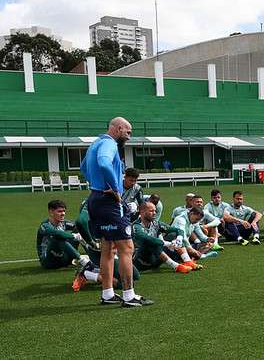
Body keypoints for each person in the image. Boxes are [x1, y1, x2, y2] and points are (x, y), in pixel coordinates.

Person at [80, 117, 152, 307]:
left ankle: (108, 294)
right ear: (118, 129)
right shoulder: (109, 144)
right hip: (109, 202)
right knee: (127, 248)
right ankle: (129, 296)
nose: (129, 136)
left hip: (96, 198)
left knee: (108, 248)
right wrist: (115, 189)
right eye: (128, 132)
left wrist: (97, 185)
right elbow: (104, 163)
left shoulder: (96, 143)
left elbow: (83, 167)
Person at [132, 202, 196, 274]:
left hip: (156, 258)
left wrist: (179, 239)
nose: (154, 213)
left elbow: (178, 230)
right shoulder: (136, 226)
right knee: (151, 242)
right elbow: (145, 238)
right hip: (142, 262)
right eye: (151, 211)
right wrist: (167, 244)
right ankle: (177, 266)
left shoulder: (156, 223)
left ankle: (187, 261)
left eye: (155, 211)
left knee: (174, 236)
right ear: (142, 212)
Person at [37, 200, 89, 270]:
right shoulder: (44, 225)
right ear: (51, 212)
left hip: (64, 258)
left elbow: (78, 226)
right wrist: (75, 236)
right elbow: (57, 233)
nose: (63, 213)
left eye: (64, 211)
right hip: (49, 261)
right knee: (58, 238)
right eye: (59, 211)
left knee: (79, 228)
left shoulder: (63, 223)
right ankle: (84, 262)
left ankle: (92, 254)